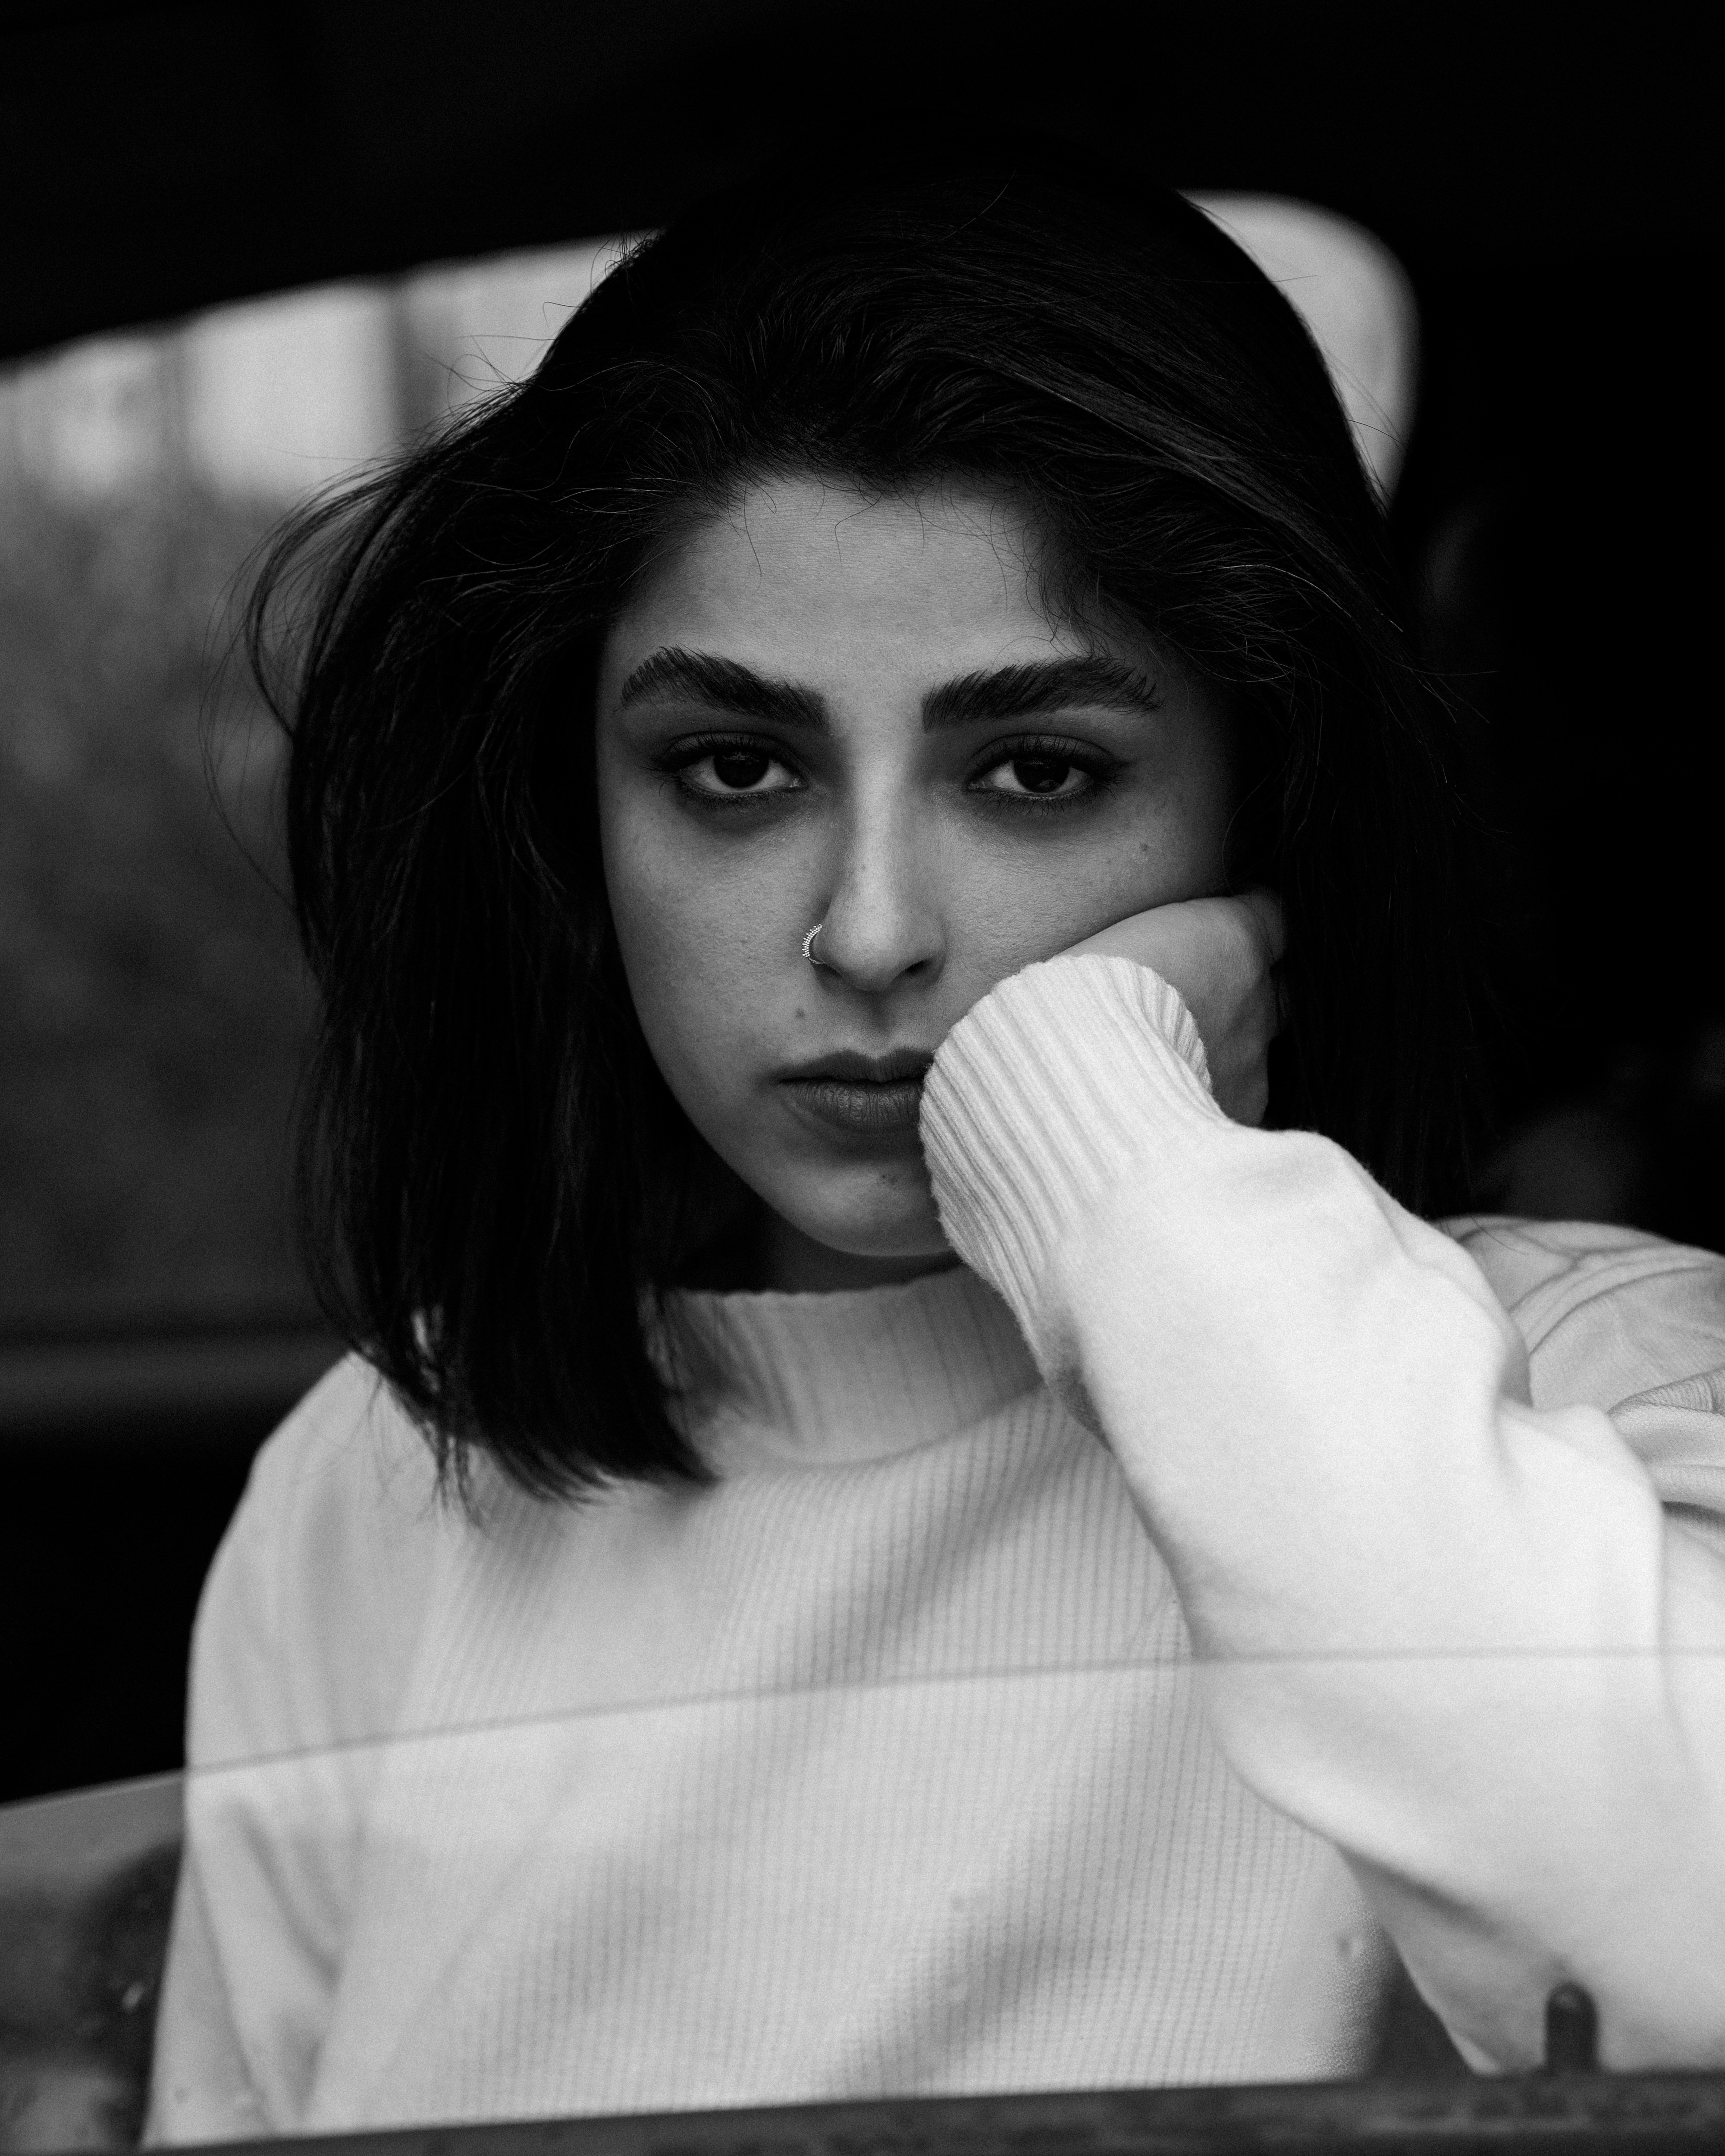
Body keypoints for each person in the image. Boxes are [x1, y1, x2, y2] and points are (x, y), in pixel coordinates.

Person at [144, 138, 1725, 2140]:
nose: (872, 927)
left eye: (1039, 770)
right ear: (580, 817)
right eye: (732, 766)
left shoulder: (1598, 1393)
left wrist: (1105, 1139)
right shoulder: (389, 1476)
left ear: (1268, 797)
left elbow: (1689, 1973)